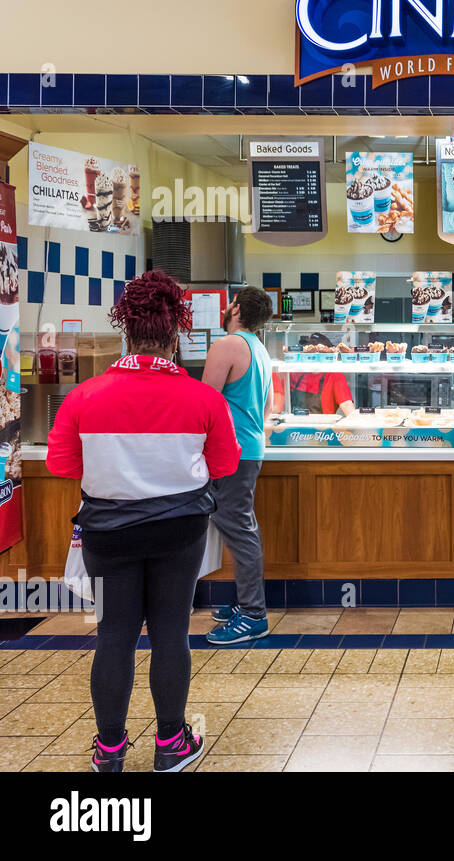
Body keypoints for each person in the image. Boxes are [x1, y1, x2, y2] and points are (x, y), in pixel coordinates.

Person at [46, 271, 240, 772]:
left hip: (107, 534)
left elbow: (62, 465)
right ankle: (171, 744)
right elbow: (225, 465)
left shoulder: (84, 397)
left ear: (126, 335)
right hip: (180, 534)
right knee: (171, 633)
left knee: (114, 635)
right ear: (175, 337)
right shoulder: (203, 399)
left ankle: (109, 750)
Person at [203, 287, 274, 645]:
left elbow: (206, 404)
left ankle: (252, 614)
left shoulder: (227, 345)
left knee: (240, 529)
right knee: (240, 526)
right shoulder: (259, 348)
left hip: (230, 452)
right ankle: (247, 604)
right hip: (249, 448)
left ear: (235, 308)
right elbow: (266, 409)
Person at [270, 334, 356, 415]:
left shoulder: (335, 376)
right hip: (295, 426)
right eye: (310, 352)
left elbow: (347, 405)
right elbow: (278, 404)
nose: (313, 357)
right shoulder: (295, 373)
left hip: (322, 428)